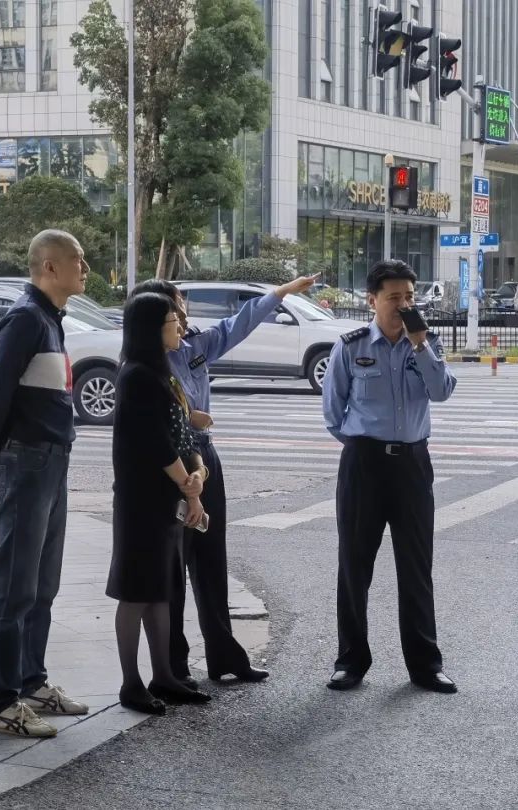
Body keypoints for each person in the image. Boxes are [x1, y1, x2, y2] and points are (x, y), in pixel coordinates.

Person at [129, 274, 319, 686]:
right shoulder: (144, 363)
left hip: (203, 456)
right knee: (174, 569)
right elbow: (150, 426)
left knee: (212, 560)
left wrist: (280, 294)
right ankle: (173, 665)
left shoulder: (194, 345)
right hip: (172, 467)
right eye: (176, 308)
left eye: (181, 308)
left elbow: (238, 324)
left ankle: (224, 655)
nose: (183, 315)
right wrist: (187, 419)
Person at [321, 260, 458, 694]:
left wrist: (421, 346)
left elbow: (441, 392)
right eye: (395, 297)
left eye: (410, 297)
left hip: (413, 466)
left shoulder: (427, 344)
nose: (404, 305)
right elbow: (333, 412)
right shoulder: (351, 346)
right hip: (364, 464)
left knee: (416, 567)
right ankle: (351, 661)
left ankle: (425, 664)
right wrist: (366, 448)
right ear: (372, 300)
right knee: (354, 566)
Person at [0, 230, 90, 738]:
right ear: (48, 267)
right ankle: (1, 703)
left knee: (43, 584)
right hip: (25, 461)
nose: (85, 267)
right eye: (77, 260)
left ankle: (32, 682)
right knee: (13, 586)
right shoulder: (25, 318)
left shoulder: (50, 319)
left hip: (51, 460)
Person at [107, 291, 212, 715]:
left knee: (162, 590)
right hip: (141, 501)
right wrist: (189, 486)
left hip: (168, 495)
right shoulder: (135, 375)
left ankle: (164, 675)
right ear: (152, 328)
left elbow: (183, 433)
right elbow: (154, 441)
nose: (180, 327)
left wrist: (198, 473)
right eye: (173, 320)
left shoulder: (162, 371)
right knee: (136, 591)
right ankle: (131, 683)